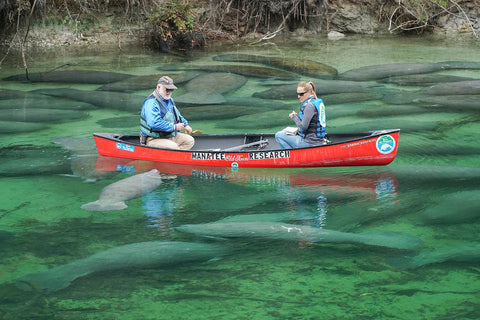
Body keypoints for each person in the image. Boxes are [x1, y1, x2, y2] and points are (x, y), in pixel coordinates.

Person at [140, 76, 195, 150]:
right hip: (152, 138)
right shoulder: (151, 102)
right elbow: (154, 123)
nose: (169, 92)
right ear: (159, 87)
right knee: (173, 147)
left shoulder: (169, 100)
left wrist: (185, 125)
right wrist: (174, 127)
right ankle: (173, 156)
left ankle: (175, 158)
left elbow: (177, 115)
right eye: (167, 89)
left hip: (167, 135)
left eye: (171, 89)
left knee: (189, 140)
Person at [275, 81, 327, 149]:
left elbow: (303, 127)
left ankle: (292, 156)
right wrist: (297, 117)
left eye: (301, 94)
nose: (298, 96)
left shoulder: (309, 106)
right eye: (298, 94)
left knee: (279, 135)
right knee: (286, 132)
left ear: (309, 92)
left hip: (310, 143)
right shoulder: (316, 102)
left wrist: (294, 117)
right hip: (318, 140)